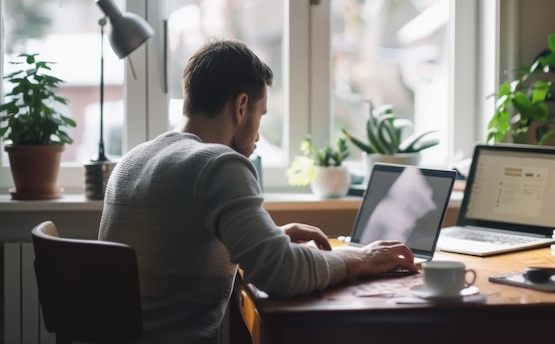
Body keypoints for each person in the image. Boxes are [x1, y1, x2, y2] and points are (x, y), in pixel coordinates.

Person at [98, 38, 417, 344]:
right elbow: (282, 273)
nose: (259, 136)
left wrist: (269, 237)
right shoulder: (218, 164)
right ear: (241, 106)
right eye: (261, 115)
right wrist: (361, 258)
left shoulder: (132, 161)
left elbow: (177, 248)